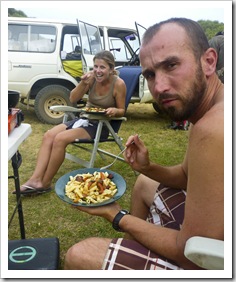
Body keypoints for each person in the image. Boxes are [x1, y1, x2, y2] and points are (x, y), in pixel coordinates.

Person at [64, 18, 224, 270]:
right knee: (144, 182)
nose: (159, 87)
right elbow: (185, 177)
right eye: (150, 74)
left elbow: (190, 250)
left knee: (78, 254)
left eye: (171, 64)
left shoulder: (213, 127)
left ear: (209, 61)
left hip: (217, 261)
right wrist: (146, 167)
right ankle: (132, 252)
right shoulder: (210, 109)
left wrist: (116, 215)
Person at [14, 50, 126, 195]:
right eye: (95, 67)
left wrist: (114, 110)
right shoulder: (91, 79)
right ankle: (35, 178)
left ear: (111, 69)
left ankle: (45, 182)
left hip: (102, 124)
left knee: (60, 139)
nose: (98, 71)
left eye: (102, 67)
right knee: (49, 135)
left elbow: (122, 110)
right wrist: (83, 83)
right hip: (84, 119)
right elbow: (73, 98)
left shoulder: (118, 84)